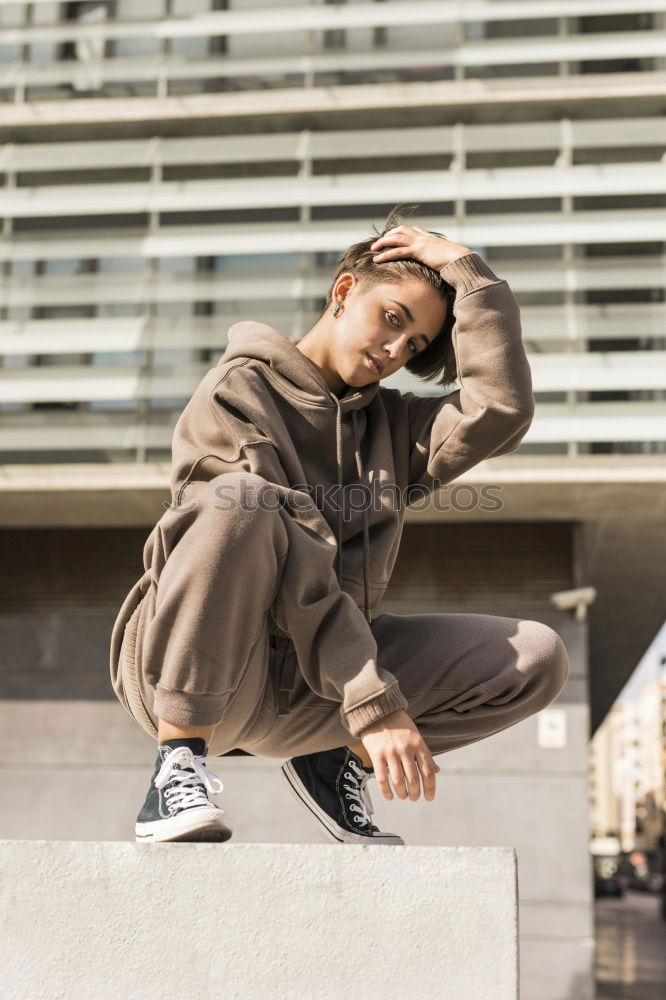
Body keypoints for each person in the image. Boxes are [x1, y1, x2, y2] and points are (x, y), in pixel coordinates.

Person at [109, 205, 569, 846]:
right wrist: (373, 702)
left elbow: (500, 410)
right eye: (393, 320)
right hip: (202, 672)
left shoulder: (394, 428)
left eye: (412, 346)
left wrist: (468, 272)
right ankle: (176, 762)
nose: (394, 350)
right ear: (346, 290)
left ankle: (333, 762)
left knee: (535, 658)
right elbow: (296, 561)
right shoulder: (237, 393)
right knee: (240, 502)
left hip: (312, 688)